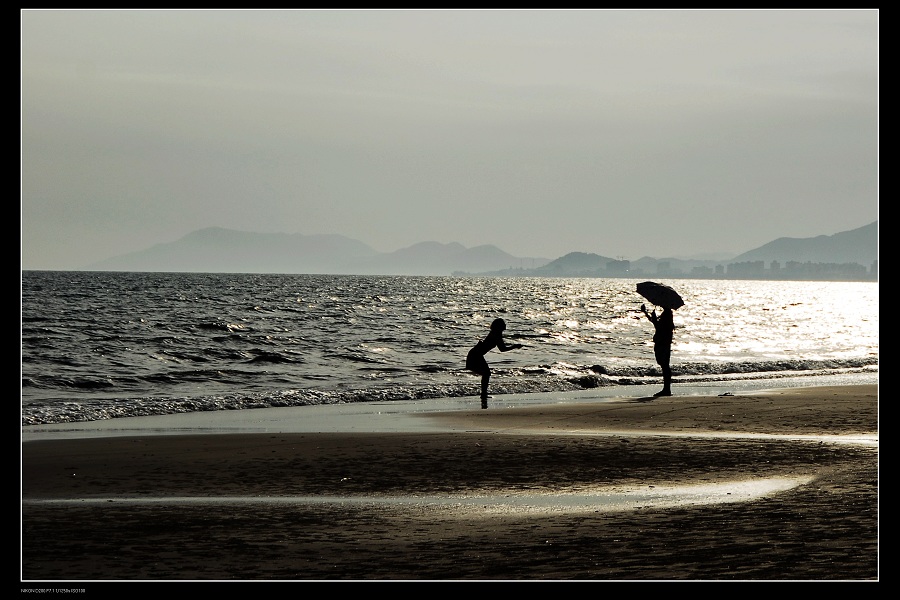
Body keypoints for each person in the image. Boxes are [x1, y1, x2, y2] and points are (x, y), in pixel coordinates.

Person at [466, 318, 523, 409]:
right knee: (486, 373)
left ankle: (483, 394)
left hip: (476, 354)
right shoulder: (496, 334)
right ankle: (483, 394)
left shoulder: (496, 333)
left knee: (486, 373)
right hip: (476, 354)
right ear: (499, 326)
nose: (505, 325)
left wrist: (513, 346)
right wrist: (514, 346)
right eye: (503, 324)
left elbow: (501, 348)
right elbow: (502, 349)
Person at [641, 303, 674, 397]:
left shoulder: (667, 314)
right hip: (663, 342)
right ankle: (666, 389)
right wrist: (646, 313)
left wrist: (653, 316)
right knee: (664, 365)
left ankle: (666, 389)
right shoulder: (666, 314)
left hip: (662, 343)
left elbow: (658, 326)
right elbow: (655, 323)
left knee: (664, 365)